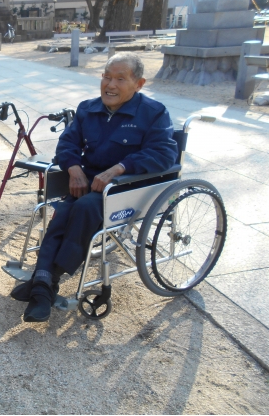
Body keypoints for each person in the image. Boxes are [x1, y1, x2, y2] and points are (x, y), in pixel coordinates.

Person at [14, 52, 178, 322]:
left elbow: (164, 154)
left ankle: (45, 282)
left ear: (139, 84)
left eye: (120, 79)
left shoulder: (153, 113)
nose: (110, 85)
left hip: (126, 189)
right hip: (87, 185)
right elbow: (67, 144)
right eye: (106, 77)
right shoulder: (87, 109)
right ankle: (43, 284)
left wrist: (119, 168)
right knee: (62, 213)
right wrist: (73, 168)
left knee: (84, 208)